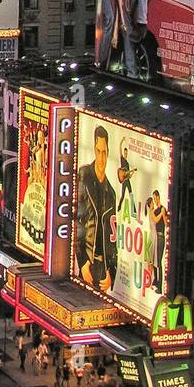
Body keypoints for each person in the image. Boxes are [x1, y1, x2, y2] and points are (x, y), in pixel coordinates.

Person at [76, 124, 118, 292]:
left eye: (104, 152)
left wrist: (111, 273)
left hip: (103, 269)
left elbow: (113, 237)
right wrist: (82, 262)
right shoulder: (84, 176)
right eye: (98, 151)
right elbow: (77, 221)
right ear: (94, 149)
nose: (101, 158)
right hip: (87, 263)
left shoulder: (111, 193)